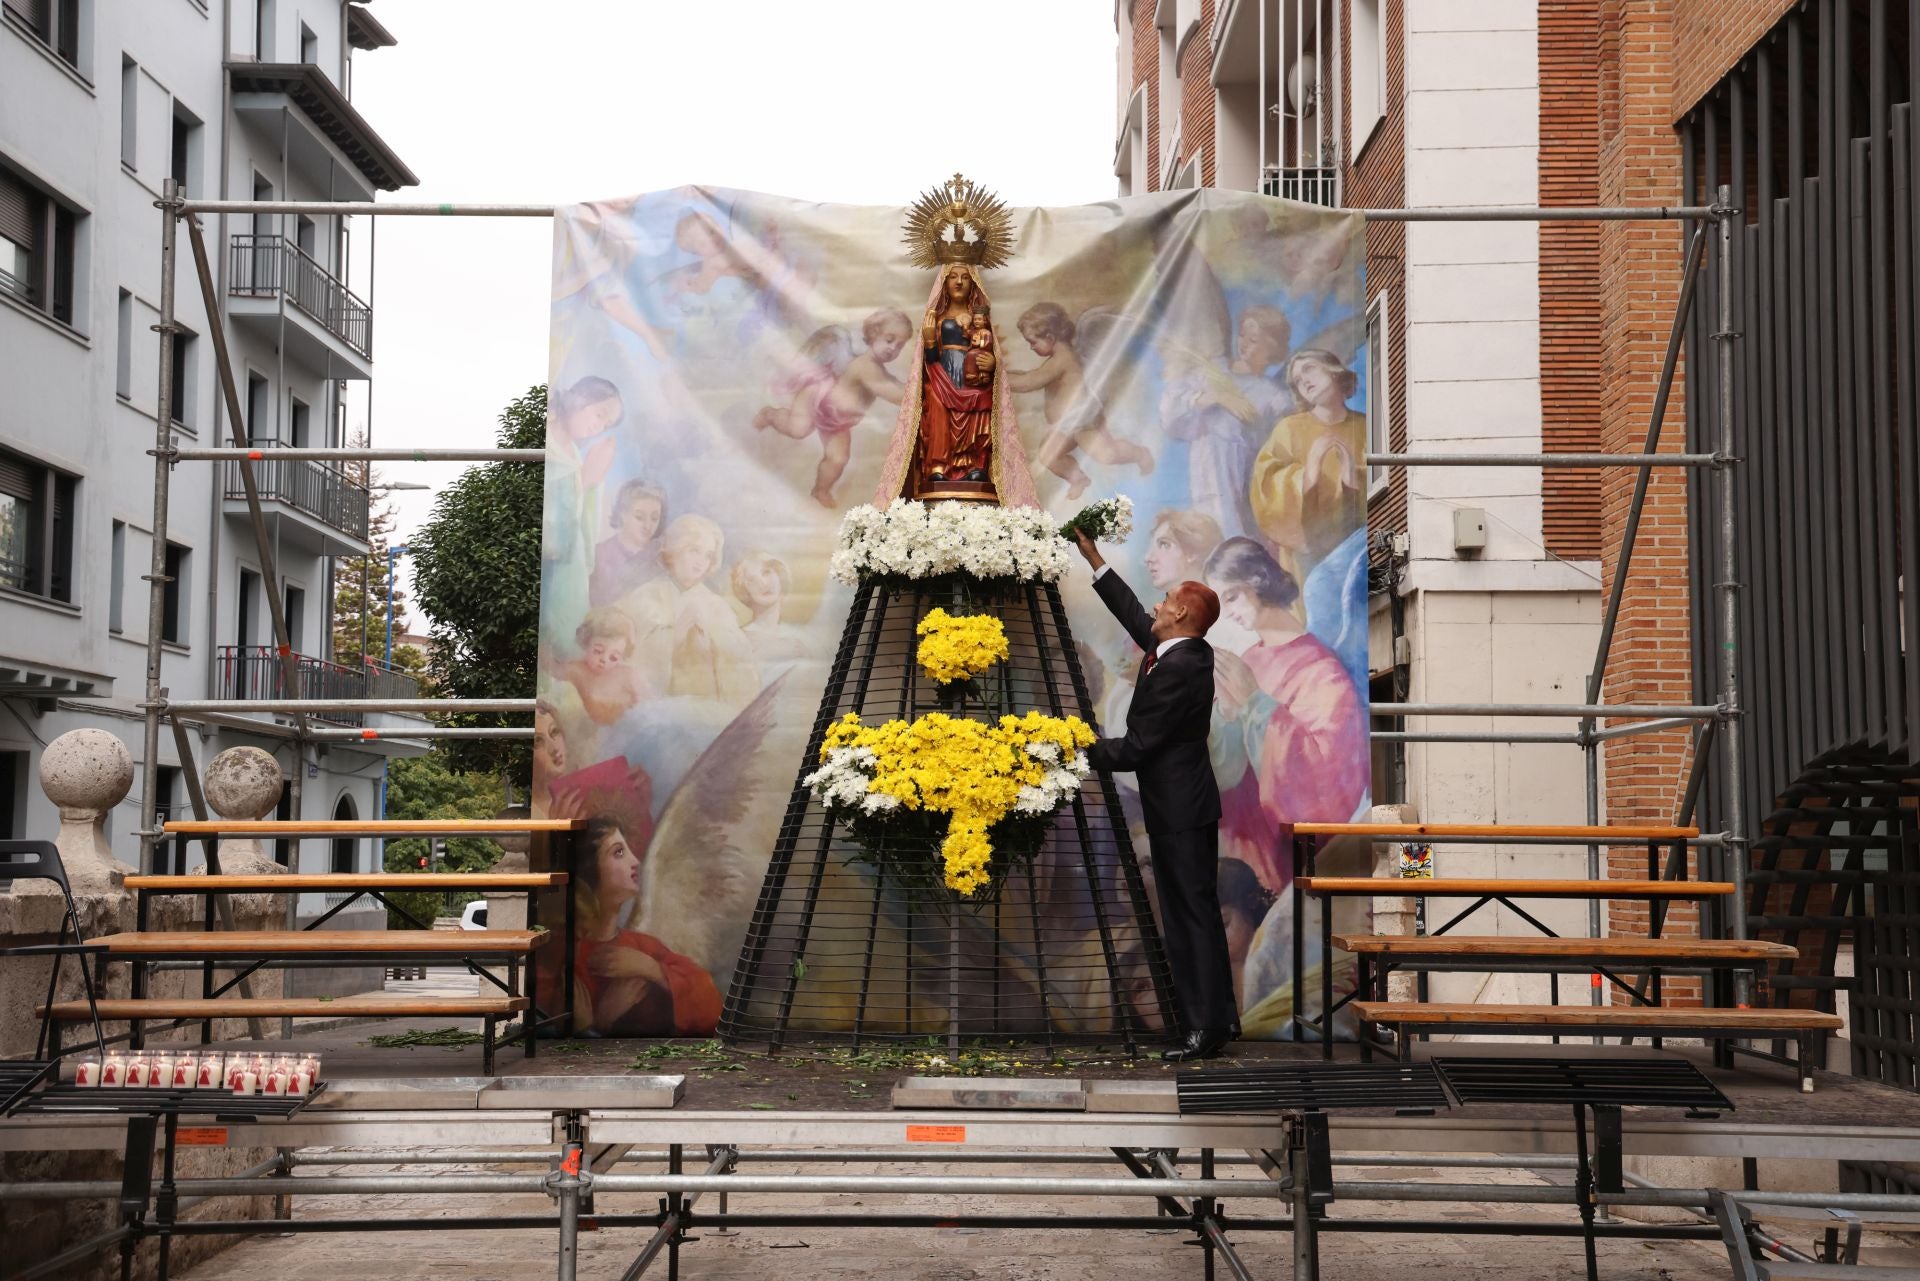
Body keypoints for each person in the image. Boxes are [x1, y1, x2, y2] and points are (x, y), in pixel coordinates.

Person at [1072, 527, 1236, 1062]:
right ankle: (1216, 1020)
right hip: (1183, 808)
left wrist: (1074, 746)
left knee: (1189, 916)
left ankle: (1203, 1029)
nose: (1157, 605)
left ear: (1183, 616)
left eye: (1166, 601)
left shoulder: (1181, 666)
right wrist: (1095, 560)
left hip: (1180, 812)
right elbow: (1137, 619)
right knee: (1195, 913)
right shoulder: (1179, 649)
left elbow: (1137, 748)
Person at [1203, 537, 1369, 891]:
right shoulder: (1250, 660)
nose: (1228, 611)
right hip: (1241, 843)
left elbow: (1323, 785)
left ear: (1260, 581)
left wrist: (1254, 706)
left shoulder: (1321, 671)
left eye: (1231, 596)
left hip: (1281, 858)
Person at [571, 816, 722, 1036]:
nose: (635, 861)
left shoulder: (644, 948)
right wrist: (599, 1022)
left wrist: (653, 970)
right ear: (589, 870)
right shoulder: (566, 952)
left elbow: (711, 1007)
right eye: (618, 852)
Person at [754, 309, 911, 506]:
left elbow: (894, 384)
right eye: (889, 340)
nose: (893, 349)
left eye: (899, 346)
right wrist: (918, 394)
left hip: (838, 421)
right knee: (797, 429)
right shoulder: (865, 366)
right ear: (873, 334)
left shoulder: (878, 370)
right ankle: (770, 415)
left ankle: (820, 490)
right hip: (817, 399)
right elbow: (893, 392)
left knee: (838, 459)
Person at [1008, 301, 1154, 502]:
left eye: (1033, 342)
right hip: (1066, 424)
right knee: (1049, 454)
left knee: (1106, 455)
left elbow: (1029, 382)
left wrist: (999, 378)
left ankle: (1139, 453)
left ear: (1050, 337)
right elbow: (1027, 376)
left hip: (1082, 420)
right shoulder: (1057, 359)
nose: (1031, 347)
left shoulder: (1063, 359)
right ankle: (1078, 478)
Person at [1249, 348, 1367, 583]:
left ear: (1334, 371)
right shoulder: (1289, 429)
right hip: (1309, 555)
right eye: (1297, 381)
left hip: (1358, 548)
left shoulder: (1364, 426)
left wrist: (1351, 476)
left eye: (1309, 369)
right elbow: (1265, 487)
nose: (1304, 381)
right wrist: (1308, 471)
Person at [590, 481, 666, 607]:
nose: (648, 526)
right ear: (622, 514)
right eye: (639, 517)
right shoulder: (600, 555)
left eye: (654, 518)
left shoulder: (661, 557)